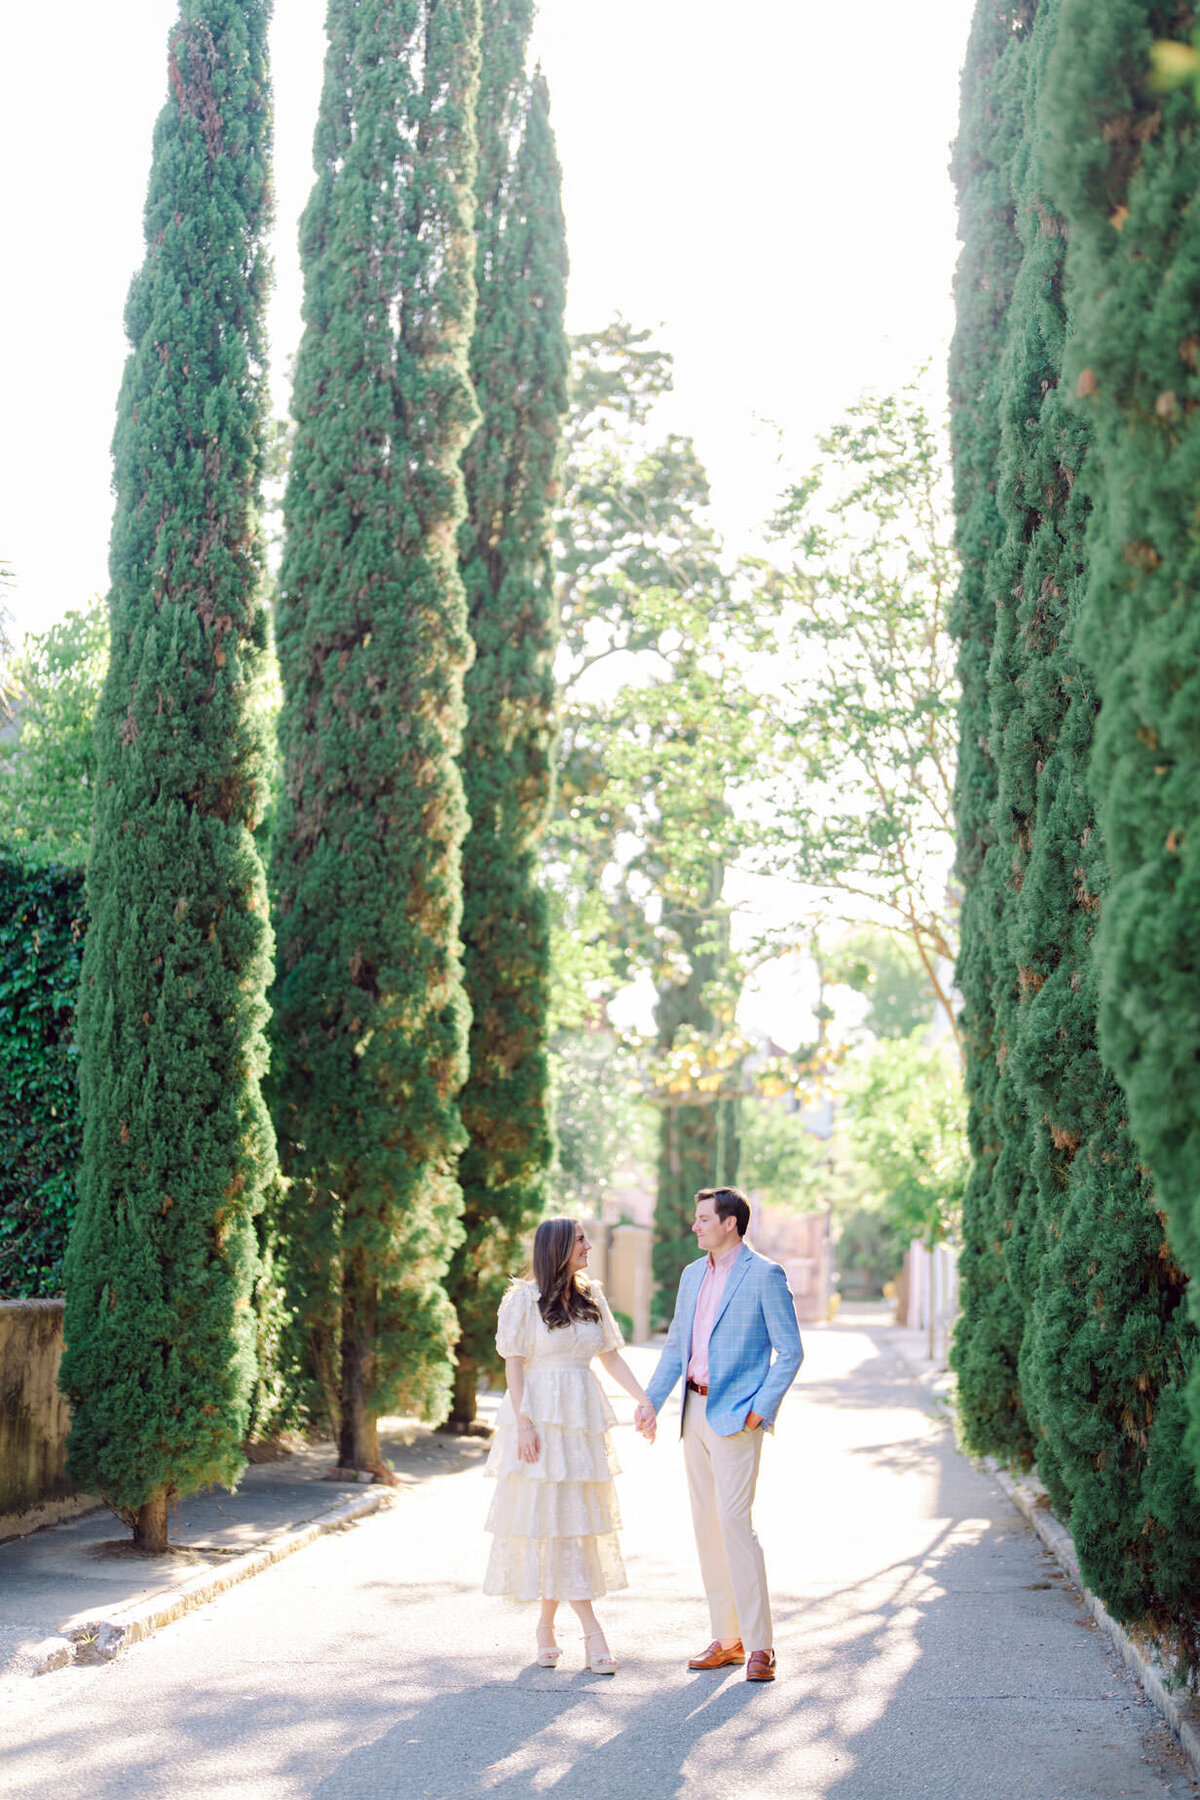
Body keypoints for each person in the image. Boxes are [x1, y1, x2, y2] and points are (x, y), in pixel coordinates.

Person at [635, 1186, 803, 1683]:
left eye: (704, 1218)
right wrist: (651, 1402)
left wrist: (759, 1410)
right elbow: (675, 1347)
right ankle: (727, 1639)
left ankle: (761, 1646)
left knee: (734, 1525)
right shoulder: (691, 1276)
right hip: (693, 1411)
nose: (695, 1226)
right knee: (707, 1528)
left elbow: (790, 1351)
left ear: (730, 1223)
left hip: (735, 1417)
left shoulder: (765, 1275)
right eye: (696, 1218)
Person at [483, 1216, 657, 1674]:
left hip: (580, 1422)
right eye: (581, 1239)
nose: (590, 1246)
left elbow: (611, 1356)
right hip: (539, 1418)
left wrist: (645, 1400)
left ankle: (545, 1629)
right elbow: (514, 1366)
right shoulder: (522, 1299)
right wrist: (524, 1424)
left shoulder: (590, 1293)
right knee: (552, 1523)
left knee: (569, 1523)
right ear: (558, 1246)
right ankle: (593, 1632)